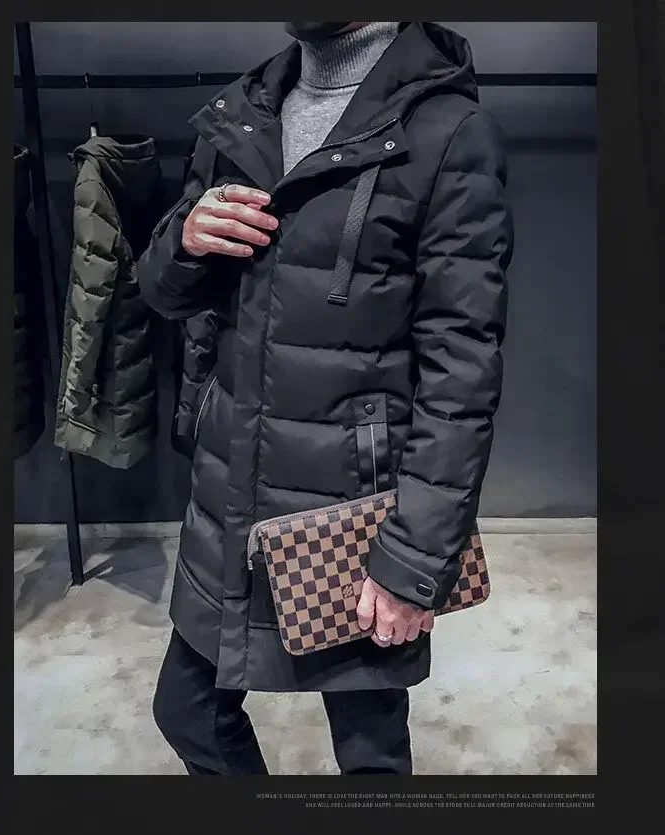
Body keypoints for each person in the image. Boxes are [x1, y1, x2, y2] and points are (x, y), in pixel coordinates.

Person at [138, 21, 513, 775]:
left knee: (370, 758)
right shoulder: (243, 112)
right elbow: (165, 293)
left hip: (352, 516)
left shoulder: (448, 132)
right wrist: (184, 242)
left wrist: (413, 560)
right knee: (188, 711)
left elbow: (462, 374)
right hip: (229, 500)